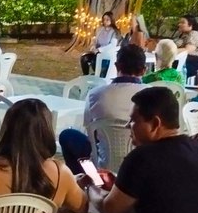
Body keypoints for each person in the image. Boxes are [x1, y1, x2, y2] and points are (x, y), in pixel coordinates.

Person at [59, 44, 147, 174]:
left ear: (117, 66)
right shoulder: (153, 96)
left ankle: (86, 181)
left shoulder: (96, 94)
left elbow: (89, 129)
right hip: (141, 167)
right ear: (144, 70)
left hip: (100, 167)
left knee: (67, 136)